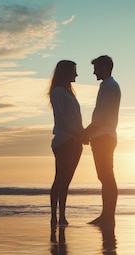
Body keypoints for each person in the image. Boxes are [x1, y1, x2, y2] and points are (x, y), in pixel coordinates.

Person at [81, 55, 121, 225]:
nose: (94, 72)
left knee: (106, 176)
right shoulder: (107, 85)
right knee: (104, 176)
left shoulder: (110, 86)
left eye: (96, 68)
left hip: (104, 136)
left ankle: (108, 216)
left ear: (105, 67)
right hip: (102, 136)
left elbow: (103, 117)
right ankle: (106, 215)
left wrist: (85, 133)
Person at [49, 60, 83, 227]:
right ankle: (55, 216)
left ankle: (62, 215)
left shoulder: (69, 93)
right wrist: (77, 132)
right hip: (64, 141)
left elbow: (76, 118)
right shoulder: (57, 92)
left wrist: (82, 134)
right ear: (66, 73)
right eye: (74, 71)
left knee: (66, 181)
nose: (76, 75)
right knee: (60, 178)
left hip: (75, 141)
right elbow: (62, 118)